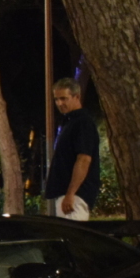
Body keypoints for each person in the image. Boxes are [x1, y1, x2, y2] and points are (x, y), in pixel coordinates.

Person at [44, 77, 99, 220]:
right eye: (56, 99)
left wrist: (71, 194)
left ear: (77, 97)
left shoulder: (82, 123)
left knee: (72, 239)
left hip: (74, 196)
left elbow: (84, 159)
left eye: (64, 98)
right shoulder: (71, 122)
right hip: (69, 194)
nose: (59, 103)